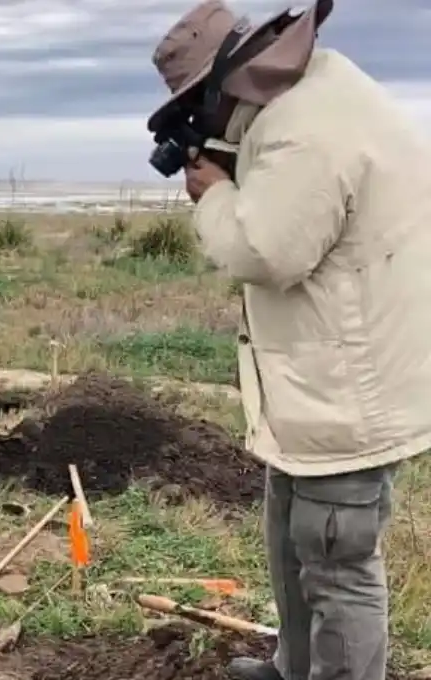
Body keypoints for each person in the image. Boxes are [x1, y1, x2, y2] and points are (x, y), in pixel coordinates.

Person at [149, 3, 431, 680]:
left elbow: (268, 251)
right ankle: (294, 666)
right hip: (330, 377)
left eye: (195, 105)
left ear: (220, 86)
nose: (201, 121)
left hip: (349, 389)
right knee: (292, 536)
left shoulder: (301, 130)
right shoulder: (315, 94)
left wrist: (216, 195)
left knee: (335, 558)